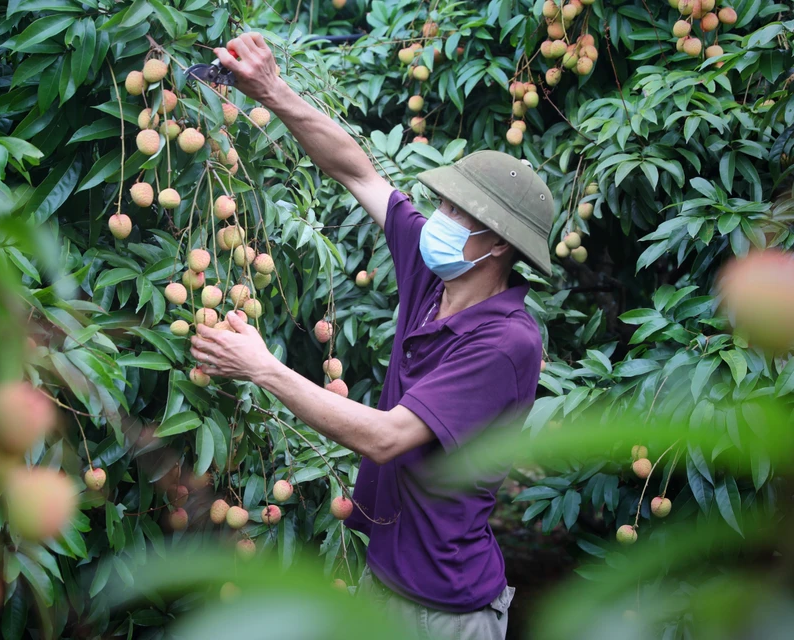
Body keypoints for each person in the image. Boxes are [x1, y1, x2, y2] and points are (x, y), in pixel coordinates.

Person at [189, 33, 555, 640]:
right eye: (444, 203)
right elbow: (356, 170)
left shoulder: (505, 343)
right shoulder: (435, 271)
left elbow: (387, 439)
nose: (440, 217)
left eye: (459, 212)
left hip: (447, 610)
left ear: (498, 246)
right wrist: (271, 90)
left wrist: (262, 366)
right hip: (383, 582)